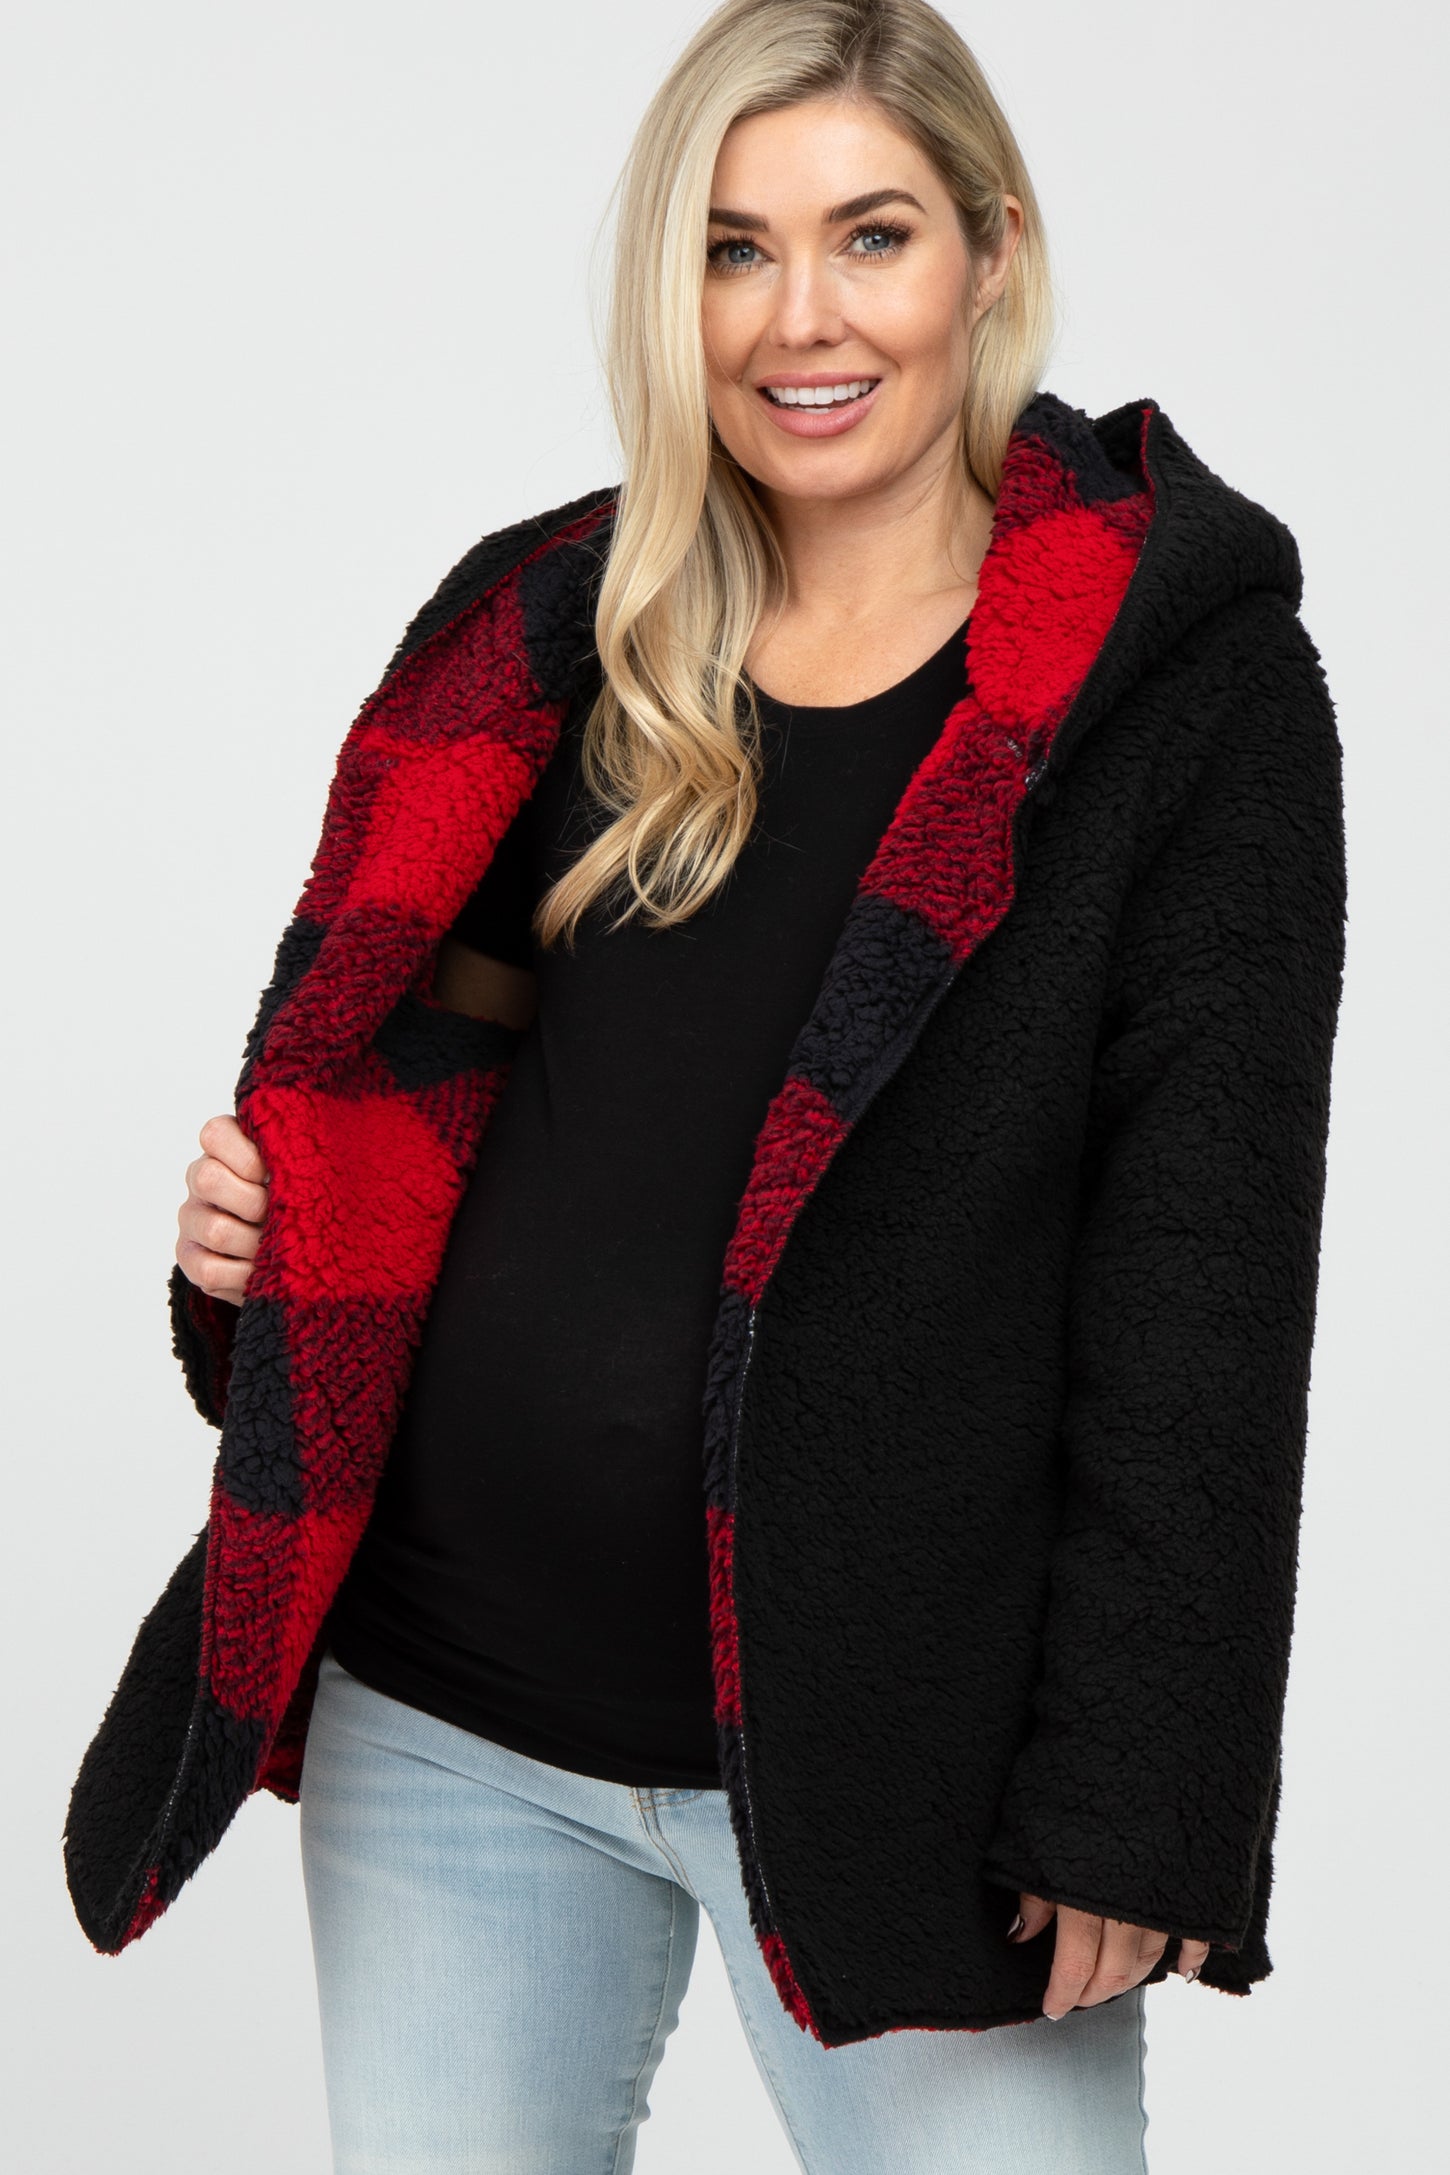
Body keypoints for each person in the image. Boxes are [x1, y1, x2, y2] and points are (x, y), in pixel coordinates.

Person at [63, 2, 1348, 2170]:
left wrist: (1139, 1792)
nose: (797, 316)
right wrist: (252, 1256)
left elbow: (1203, 1280)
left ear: (989, 252)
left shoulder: (1174, 699)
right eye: (733, 249)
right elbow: (412, 1104)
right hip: (444, 1718)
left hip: (899, 1753)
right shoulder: (555, 628)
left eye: (870, 236)